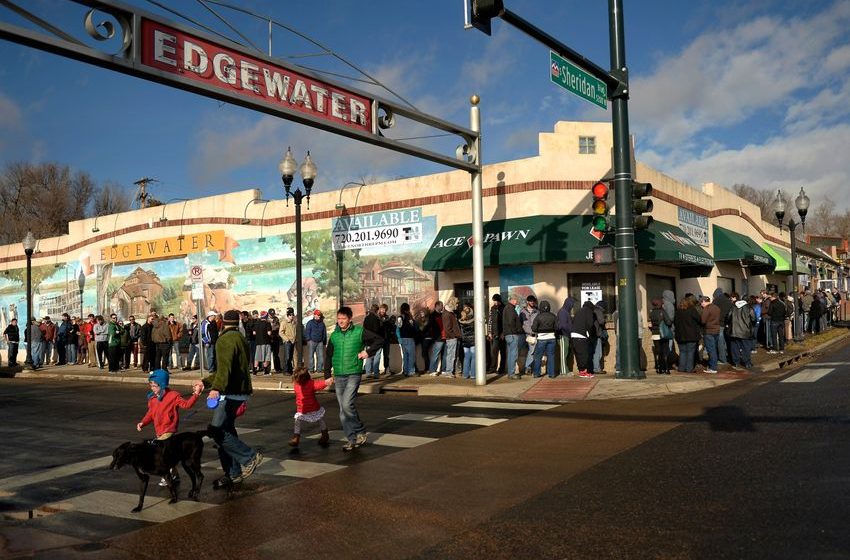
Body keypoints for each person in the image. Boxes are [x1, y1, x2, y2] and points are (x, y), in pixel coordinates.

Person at [199, 309, 263, 489]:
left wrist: (216, 388)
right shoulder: (240, 338)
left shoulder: (225, 340)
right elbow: (229, 370)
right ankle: (233, 473)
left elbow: (224, 369)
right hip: (239, 391)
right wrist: (205, 382)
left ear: (222, 322)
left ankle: (249, 457)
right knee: (227, 431)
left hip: (229, 393)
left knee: (216, 431)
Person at [324, 306, 383, 451]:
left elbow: (379, 340)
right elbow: (328, 355)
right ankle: (352, 439)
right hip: (339, 375)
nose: (340, 321)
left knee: (346, 405)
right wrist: (327, 376)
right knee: (342, 411)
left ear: (350, 319)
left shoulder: (359, 332)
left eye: (343, 319)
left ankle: (360, 430)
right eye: (338, 319)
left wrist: (367, 352)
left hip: (353, 373)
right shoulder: (334, 336)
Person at [136, 369, 202, 486]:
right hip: (159, 430)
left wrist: (196, 394)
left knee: (162, 455)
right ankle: (174, 475)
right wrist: (143, 422)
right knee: (167, 454)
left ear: (162, 384)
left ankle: (166, 476)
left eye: (155, 385)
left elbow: (186, 405)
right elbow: (150, 414)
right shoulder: (153, 399)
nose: (152, 388)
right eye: (151, 385)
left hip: (169, 429)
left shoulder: (173, 396)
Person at [289, 366, 333, 449]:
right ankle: (296, 437)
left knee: (319, 419)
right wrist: (326, 382)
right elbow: (319, 384)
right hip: (303, 409)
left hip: (311, 407)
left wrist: (326, 382)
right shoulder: (299, 384)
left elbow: (319, 384)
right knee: (299, 421)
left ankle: (324, 434)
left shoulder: (308, 384)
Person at [674, 296, 702, 373]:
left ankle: (681, 368)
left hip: (680, 335)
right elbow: (699, 319)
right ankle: (689, 368)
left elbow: (675, 323)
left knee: (682, 352)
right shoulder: (692, 310)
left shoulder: (678, 312)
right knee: (690, 352)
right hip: (691, 335)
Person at [729, 293, 756, 370]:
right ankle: (747, 363)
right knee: (746, 348)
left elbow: (728, 317)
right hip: (746, 332)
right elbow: (754, 319)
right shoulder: (749, 308)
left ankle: (736, 363)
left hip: (734, 331)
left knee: (735, 347)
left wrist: (729, 325)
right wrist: (751, 326)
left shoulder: (733, 307)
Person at [531, 300, 557, 378]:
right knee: (551, 356)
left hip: (541, 338)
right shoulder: (553, 316)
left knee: (538, 356)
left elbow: (534, 328)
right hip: (552, 338)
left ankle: (536, 373)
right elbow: (557, 327)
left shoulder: (538, 316)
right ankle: (551, 374)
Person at [570, 300, 596, 378]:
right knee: (584, 355)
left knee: (578, 355)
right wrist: (589, 334)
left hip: (573, 335)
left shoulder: (578, 311)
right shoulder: (588, 311)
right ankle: (584, 372)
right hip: (581, 336)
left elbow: (573, 321)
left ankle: (581, 371)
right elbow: (590, 324)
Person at [648, 298, 672, 374]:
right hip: (663, 334)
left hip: (655, 334)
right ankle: (666, 368)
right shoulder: (662, 312)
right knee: (665, 350)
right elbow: (668, 322)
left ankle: (659, 368)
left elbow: (650, 324)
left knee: (658, 351)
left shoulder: (651, 313)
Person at [502, 295, 524, 378]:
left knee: (510, 354)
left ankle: (510, 373)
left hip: (508, 334)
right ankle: (511, 373)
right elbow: (511, 322)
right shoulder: (510, 309)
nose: (517, 301)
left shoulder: (507, 308)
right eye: (516, 299)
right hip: (512, 334)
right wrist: (516, 331)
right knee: (513, 354)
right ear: (512, 300)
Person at [439, 298, 461, 377]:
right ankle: (449, 372)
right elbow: (447, 328)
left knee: (454, 355)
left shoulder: (450, 313)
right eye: (457, 304)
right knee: (451, 356)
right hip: (452, 338)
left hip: (454, 337)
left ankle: (452, 371)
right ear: (453, 304)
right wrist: (453, 336)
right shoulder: (447, 314)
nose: (458, 305)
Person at [699, 296, 721, 374]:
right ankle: (714, 365)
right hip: (716, 330)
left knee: (711, 350)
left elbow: (703, 321)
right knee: (714, 349)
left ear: (704, 301)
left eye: (701, 302)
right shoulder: (716, 307)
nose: (701, 304)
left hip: (708, 331)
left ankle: (713, 367)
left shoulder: (706, 309)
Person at [396, 302, 418, 377]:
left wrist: (399, 339)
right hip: (410, 339)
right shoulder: (410, 317)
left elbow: (398, 328)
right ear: (408, 309)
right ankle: (411, 371)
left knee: (405, 356)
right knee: (411, 355)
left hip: (403, 339)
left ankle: (405, 371)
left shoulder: (400, 317)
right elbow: (413, 328)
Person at [519, 295, 539, 375]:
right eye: (530, 301)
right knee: (525, 351)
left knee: (532, 351)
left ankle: (528, 367)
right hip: (524, 334)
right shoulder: (522, 311)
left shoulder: (537, 311)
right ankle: (528, 367)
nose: (532, 302)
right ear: (527, 301)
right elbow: (519, 322)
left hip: (533, 334)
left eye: (533, 301)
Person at [556, 297, 575, 377]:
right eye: (572, 304)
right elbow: (563, 325)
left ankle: (565, 370)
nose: (572, 306)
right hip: (563, 336)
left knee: (566, 353)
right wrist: (570, 331)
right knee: (564, 354)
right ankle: (564, 371)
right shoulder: (563, 312)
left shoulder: (565, 312)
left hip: (566, 335)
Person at [304, 309, 327, 375]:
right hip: (311, 341)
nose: (318, 317)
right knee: (311, 356)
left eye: (319, 315)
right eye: (317, 315)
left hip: (320, 342)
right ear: (314, 315)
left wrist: (324, 341)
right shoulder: (310, 323)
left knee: (320, 356)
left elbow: (324, 333)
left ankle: (319, 369)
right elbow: (307, 332)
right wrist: (309, 339)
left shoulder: (322, 324)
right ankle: (311, 369)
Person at [487, 294, 505, 374]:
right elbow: (490, 321)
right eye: (494, 301)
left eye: (496, 301)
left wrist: (503, 333)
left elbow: (506, 322)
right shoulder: (492, 308)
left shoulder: (504, 308)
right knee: (494, 352)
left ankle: (501, 369)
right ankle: (492, 368)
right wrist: (489, 332)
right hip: (494, 334)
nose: (495, 302)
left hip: (502, 334)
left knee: (503, 352)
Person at [458, 303, 476, 379]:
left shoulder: (460, 321)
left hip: (465, 341)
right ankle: (473, 374)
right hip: (472, 341)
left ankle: (465, 374)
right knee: (473, 357)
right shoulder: (473, 320)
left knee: (466, 357)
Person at [253, 311, 273, 375]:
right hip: (266, 342)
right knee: (267, 356)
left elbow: (254, 333)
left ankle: (255, 370)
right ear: (266, 316)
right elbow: (269, 333)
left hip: (258, 343)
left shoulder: (257, 323)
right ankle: (265, 371)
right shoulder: (267, 323)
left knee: (257, 357)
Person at [280, 308, 296, 373]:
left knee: (290, 357)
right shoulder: (284, 322)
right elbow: (281, 332)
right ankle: (286, 370)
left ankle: (289, 369)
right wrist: (287, 339)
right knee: (287, 357)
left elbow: (295, 332)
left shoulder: (294, 323)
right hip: (287, 342)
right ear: (288, 315)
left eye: (292, 315)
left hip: (293, 341)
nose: (292, 316)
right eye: (290, 315)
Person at [267, 308, 283, 373]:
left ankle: (277, 368)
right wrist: (271, 326)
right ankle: (267, 369)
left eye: (273, 314)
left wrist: (271, 326)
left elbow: (277, 327)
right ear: (268, 314)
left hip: (275, 338)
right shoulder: (265, 319)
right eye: (271, 314)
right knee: (267, 355)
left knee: (276, 354)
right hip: (268, 339)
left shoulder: (276, 319)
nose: (272, 315)